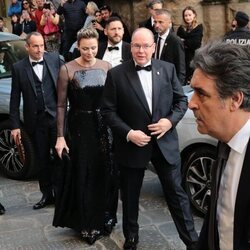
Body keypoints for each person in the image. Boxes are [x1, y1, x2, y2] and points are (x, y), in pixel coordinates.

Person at [101, 27, 198, 250]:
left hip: (165, 143)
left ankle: (192, 241)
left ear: (154, 48)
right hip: (132, 145)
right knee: (131, 196)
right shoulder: (116, 74)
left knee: (176, 194)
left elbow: (181, 102)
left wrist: (169, 121)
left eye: (146, 46)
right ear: (130, 47)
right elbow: (107, 111)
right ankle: (131, 237)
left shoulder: (167, 69)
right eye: (136, 46)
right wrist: (128, 133)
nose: (141, 50)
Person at [53, 28, 112, 245]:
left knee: (102, 173)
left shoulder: (107, 67)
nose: (89, 52)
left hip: (103, 128)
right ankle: (86, 223)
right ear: (78, 46)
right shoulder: (66, 69)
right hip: (78, 127)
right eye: (85, 48)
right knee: (83, 175)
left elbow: (111, 102)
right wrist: (60, 136)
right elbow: (60, 105)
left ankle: (103, 217)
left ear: (99, 45)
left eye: (94, 48)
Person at [189, 41, 250, 250]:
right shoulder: (224, 141)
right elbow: (218, 221)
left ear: (235, 99)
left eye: (201, 93)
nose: (191, 103)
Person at [9, 32, 63, 210]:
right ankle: (47, 195)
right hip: (36, 121)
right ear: (27, 47)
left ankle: (62, 194)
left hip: (56, 119)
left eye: (42, 45)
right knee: (41, 160)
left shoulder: (55, 59)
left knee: (60, 157)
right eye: (35, 46)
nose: (40, 50)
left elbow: (66, 85)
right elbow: (15, 98)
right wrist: (15, 125)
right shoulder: (18, 68)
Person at [153, 9, 186, 85]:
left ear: (169, 23)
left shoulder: (175, 41)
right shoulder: (153, 39)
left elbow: (181, 69)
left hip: (169, 83)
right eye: (155, 22)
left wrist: (178, 89)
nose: (157, 25)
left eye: (160, 22)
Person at [177, 6, 203, 84]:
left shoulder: (198, 27)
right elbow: (178, 42)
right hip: (182, 57)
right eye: (185, 15)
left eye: (189, 15)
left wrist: (184, 41)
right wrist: (188, 42)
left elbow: (195, 44)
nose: (187, 17)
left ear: (194, 15)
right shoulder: (181, 29)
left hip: (193, 57)